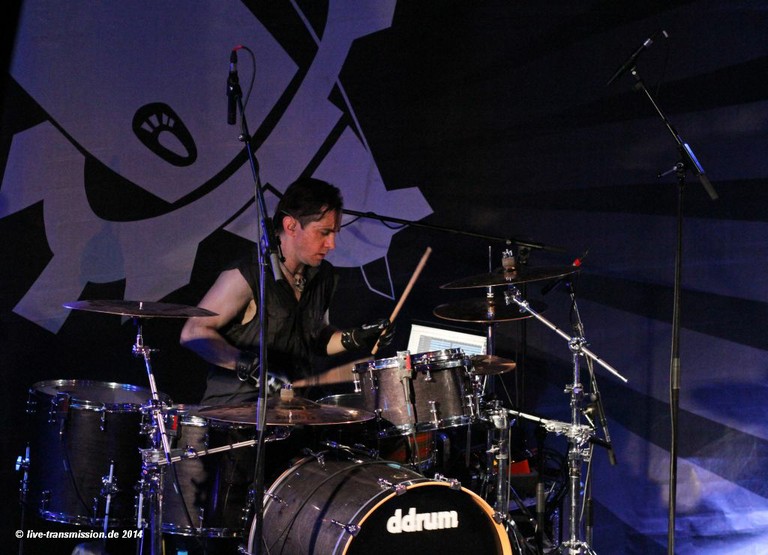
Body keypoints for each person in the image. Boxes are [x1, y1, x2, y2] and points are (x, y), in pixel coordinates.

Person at [180, 177, 394, 406]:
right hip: (237, 411)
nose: (332, 244)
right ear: (291, 226)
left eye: (335, 233)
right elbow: (193, 332)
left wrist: (356, 337)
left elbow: (317, 338)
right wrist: (250, 367)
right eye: (324, 232)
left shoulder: (322, 276)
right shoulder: (248, 274)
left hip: (293, 409)